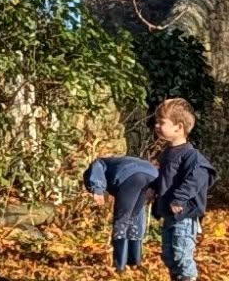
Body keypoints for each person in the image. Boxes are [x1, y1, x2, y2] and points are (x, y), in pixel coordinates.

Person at [151, 96, 217, 281]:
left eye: (161, 122)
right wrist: (151, 191)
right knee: (169, 254)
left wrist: (180, 198)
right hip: (169, 214)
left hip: (184, 215)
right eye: (156, 121)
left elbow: (198, 178)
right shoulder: (167, 154)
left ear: (178, 127)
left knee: (181, 255)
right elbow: (163, 179)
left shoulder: (191, 156)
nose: (156, 125)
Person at [82, 151, 158, 271]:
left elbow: (97, 166)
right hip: (153, 175)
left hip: (132, 176)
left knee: (121, 220)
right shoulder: (121, 161)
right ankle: (135, 262)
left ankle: (119, 266)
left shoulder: (103, 162)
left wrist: (96, 189)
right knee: (135, 218)